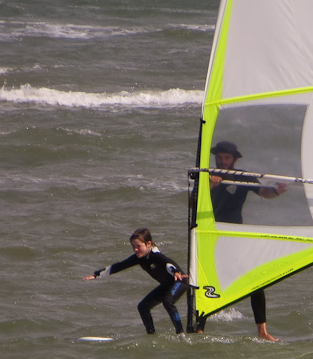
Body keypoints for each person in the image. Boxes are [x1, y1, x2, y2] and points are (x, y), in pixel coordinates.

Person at [198, 140, 287, 342]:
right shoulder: (206, 176)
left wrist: (277, 192)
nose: (222, 161)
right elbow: (192, 204)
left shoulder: (242, 177)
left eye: (226, 158)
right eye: (219, 157)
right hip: (211, 235)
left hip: (235, 235)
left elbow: (264, 191)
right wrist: (208, 189)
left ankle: (262, 331)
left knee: (255, 279)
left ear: (235, 159)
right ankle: (199, 327)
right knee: (204, 280)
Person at [83, 228, 188, 335]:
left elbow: (167, 263)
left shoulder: (155, 255)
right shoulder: (139, 258)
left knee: (167, 302)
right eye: (133, 247)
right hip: (167, 285)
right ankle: (151, 334)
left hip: (180, 281)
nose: (135, 250)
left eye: (138, 246)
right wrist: (97, 274)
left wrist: (176, 272)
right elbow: (120, 265)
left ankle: (180, 332)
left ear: (148, 244)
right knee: (143, 307)